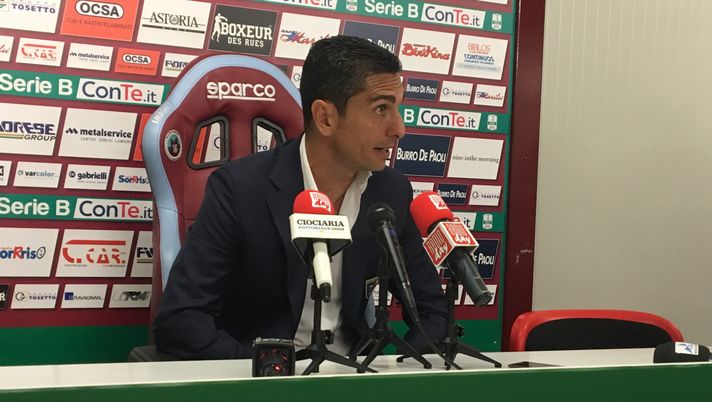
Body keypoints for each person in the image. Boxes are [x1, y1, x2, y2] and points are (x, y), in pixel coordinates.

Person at [153, 35, 447, 359]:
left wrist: (402, 370)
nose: (399, 129)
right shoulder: (239, 189)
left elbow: (433, 312)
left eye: (397, 108)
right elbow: (180, 321)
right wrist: (270, 370)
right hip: (262, 372)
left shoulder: (390, 192)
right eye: (381, 109)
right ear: (325, 117)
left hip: (352, 372)